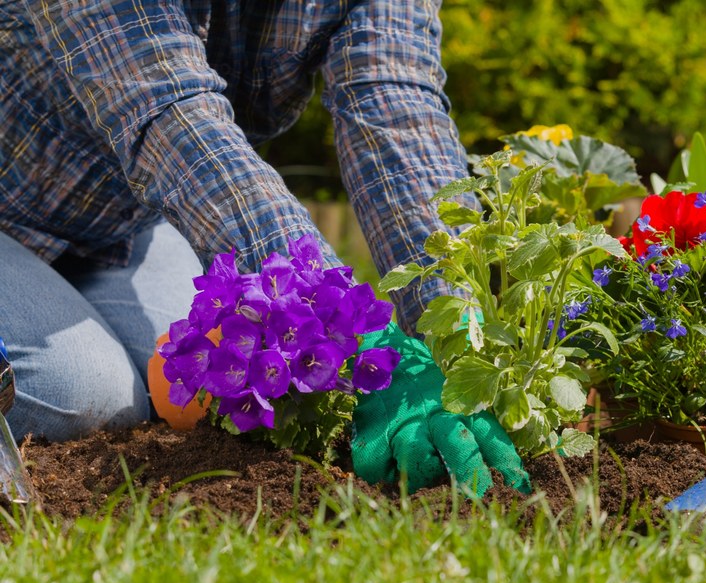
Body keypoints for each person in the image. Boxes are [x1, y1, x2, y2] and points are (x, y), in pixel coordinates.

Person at [0, 1, 529, 496]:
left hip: (118, 224)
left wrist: (455, 336)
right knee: (83, 391)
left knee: (180, 382)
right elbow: (168, 109)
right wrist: (353, 331)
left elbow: (395, 97)